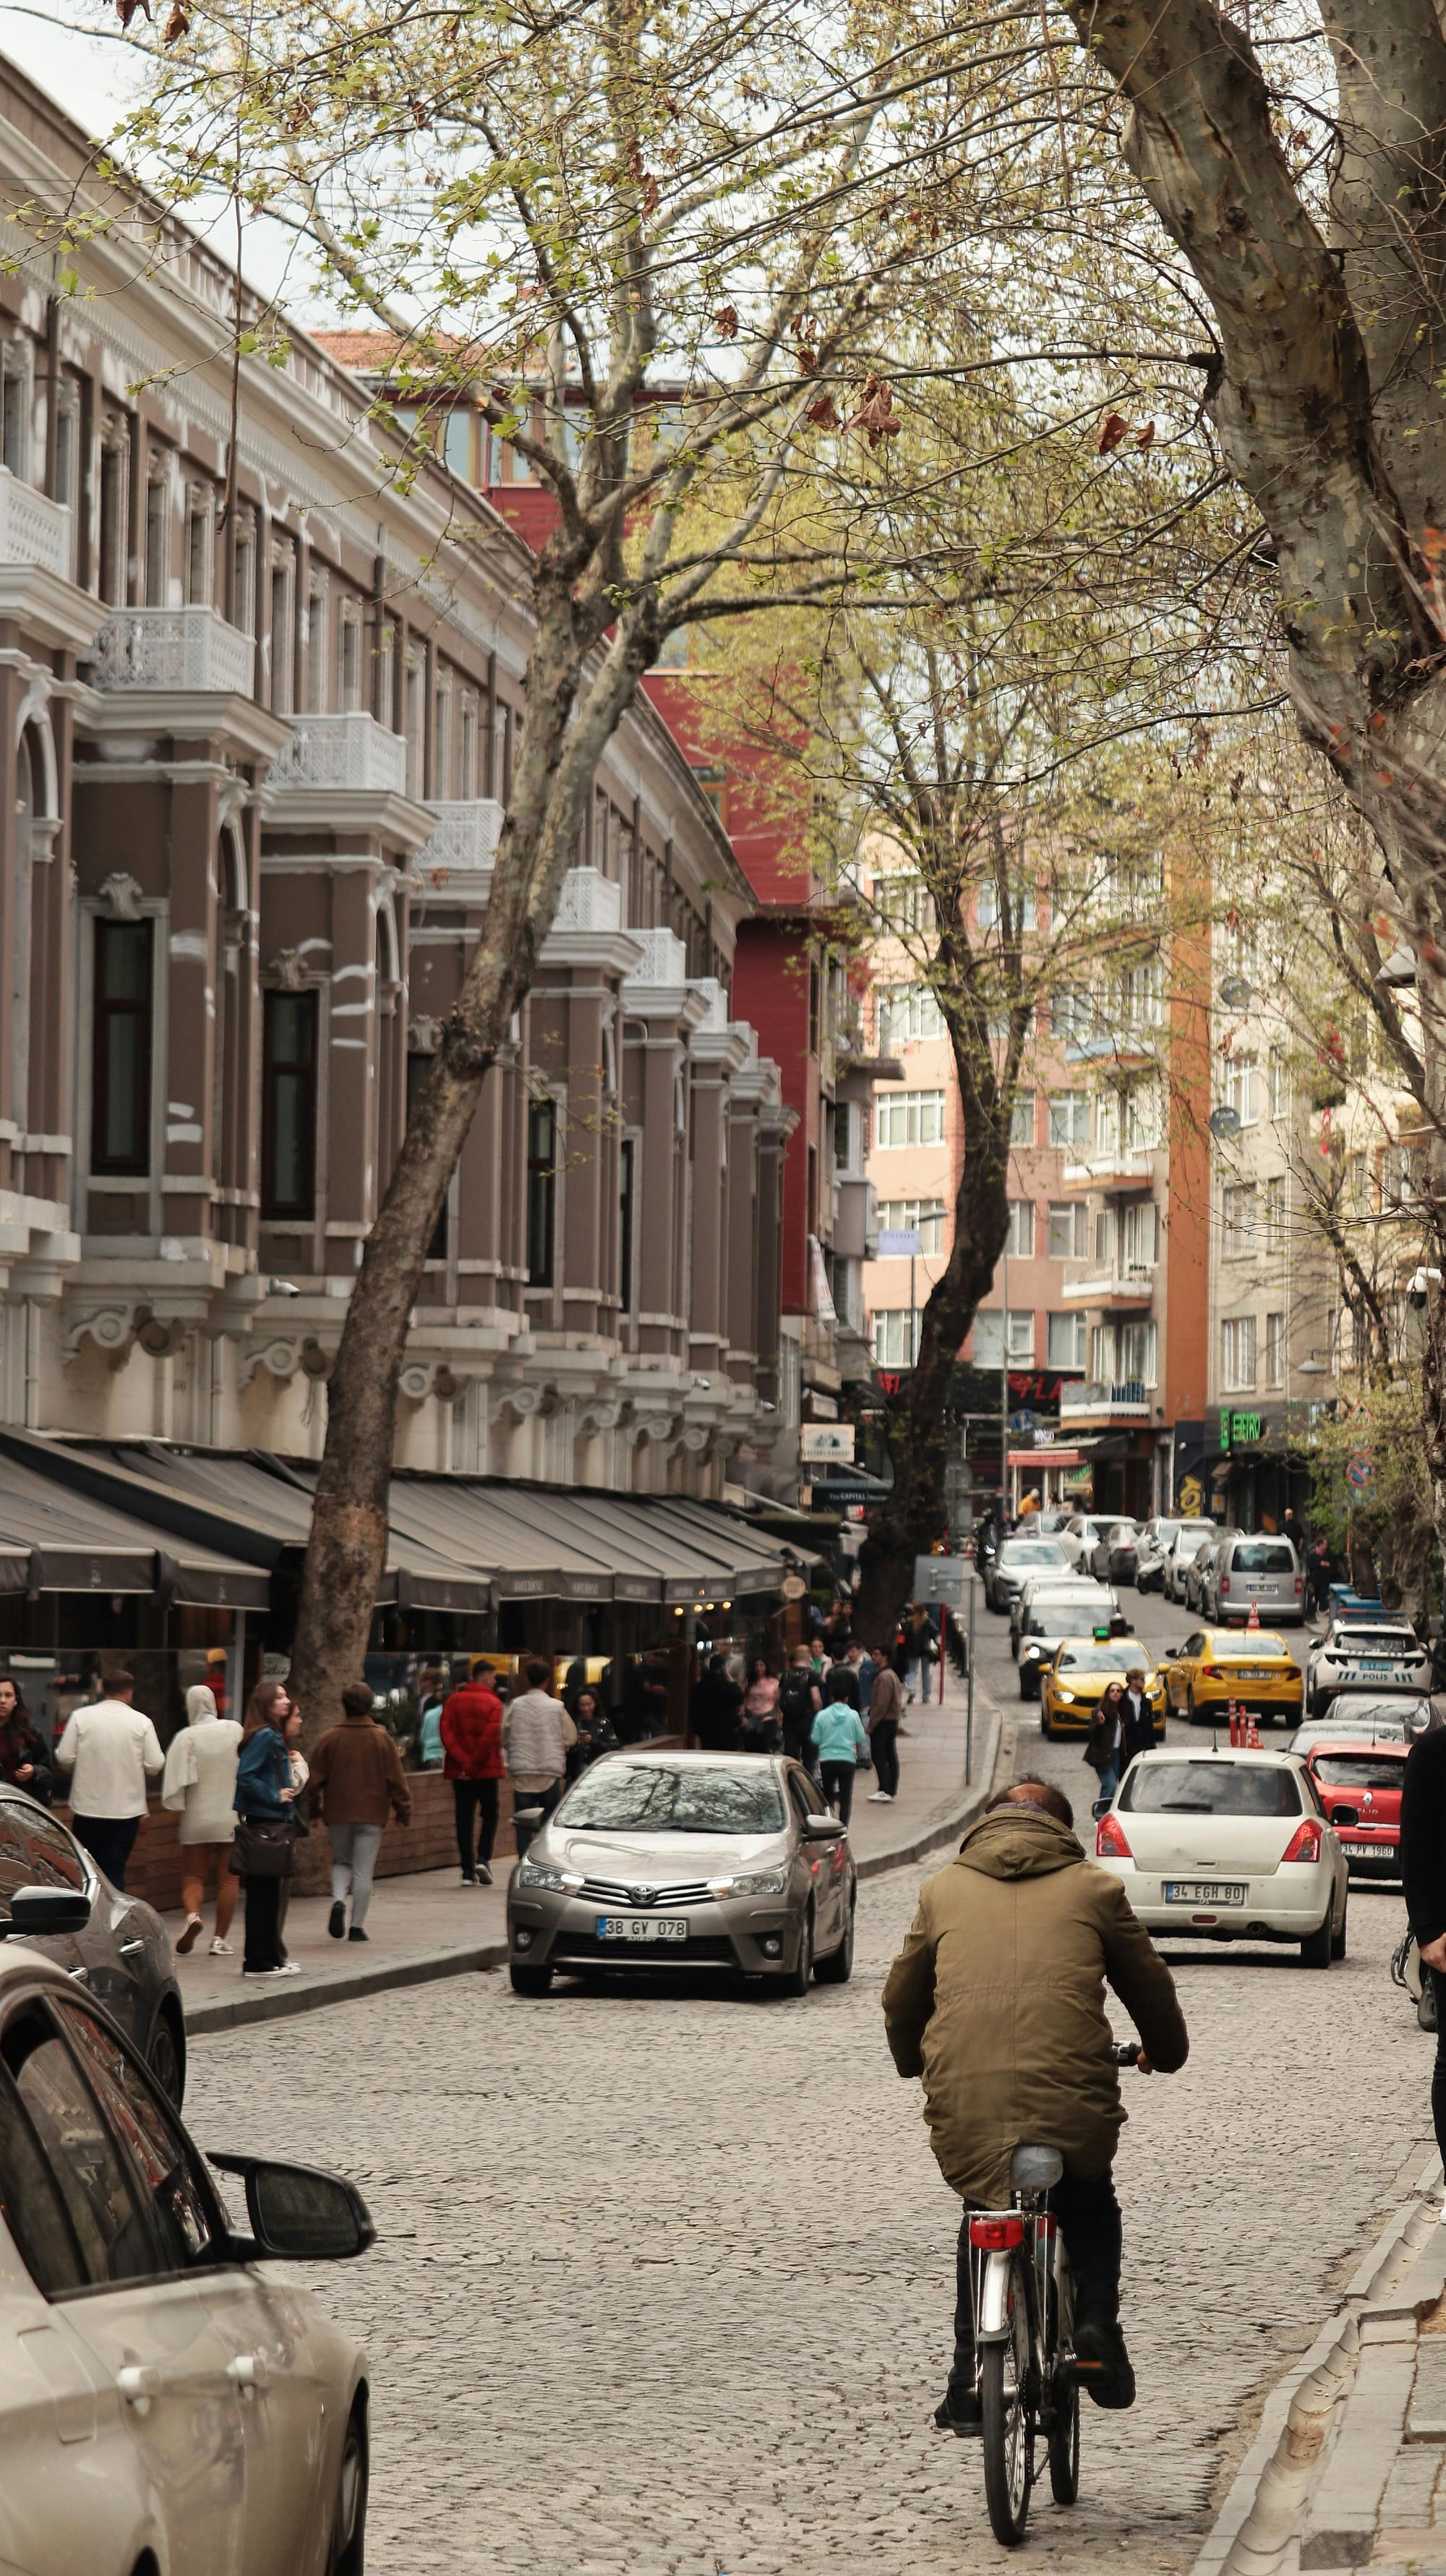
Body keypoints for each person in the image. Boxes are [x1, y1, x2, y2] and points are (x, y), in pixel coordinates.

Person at [882, 1776, 1188, 2430]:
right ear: (1063, 1831)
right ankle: (1098, 2327)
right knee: (1090, 2201)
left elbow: (901, 1998)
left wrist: (912, 2061)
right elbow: (1149, 1986)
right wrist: (1166, 2050)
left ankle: (967, 2378)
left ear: (988, 1823)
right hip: (1072, 2105)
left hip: (968, 2101)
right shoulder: (1095, 1888)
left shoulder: (941, 1890)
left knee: (981, 2207)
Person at [309, 1680, 413, 1940]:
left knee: (342, 1861)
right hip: (371, 1814)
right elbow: (396, 1780)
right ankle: (356, 1927)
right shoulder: (382, 1739)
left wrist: (314, 1810)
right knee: (363, 1871)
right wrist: (403, 1811)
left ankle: (338, 1900)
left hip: (338, 1812)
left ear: (343, 1705)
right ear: (369, 1705)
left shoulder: (330, 1738)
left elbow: (313, 1781)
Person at [54, 1670, 164, 1892]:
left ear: (103, 1690)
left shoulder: (81, 1717)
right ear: (130, 1693)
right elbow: (155, 1764)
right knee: (115, 1869)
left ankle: (89, 1910)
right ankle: (112, 1912)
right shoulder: (142, 1722)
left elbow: (64, 1757)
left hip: (87, 1809)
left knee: (88, 1871)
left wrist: (81, 1765)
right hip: (126, 1812)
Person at [162, 1682, 243, 1955]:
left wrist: (178, 1805)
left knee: (193, 1875)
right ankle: (219, 1939)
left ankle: (192, 1916)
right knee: (228, 1879)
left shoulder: (186, 1737)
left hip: (197, 1815)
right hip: (230, 1814)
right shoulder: (233, 1730)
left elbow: (174, 1781)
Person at [234, 1679, 301, 1979]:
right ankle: (259, 1961)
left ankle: (271, 1957)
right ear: (266, 1703)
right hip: (266, 1822)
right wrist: (275, 1795)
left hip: (271, 1820)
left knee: (270, 1894)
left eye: (286, 1696)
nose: (286, 1701)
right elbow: (246, 1775)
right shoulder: (264, 1736)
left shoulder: (271, 1734)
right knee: (263, 1895)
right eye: (279, 1697)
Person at [440, 1658, 505, 1886]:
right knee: (490, 1814)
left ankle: (467, 1870)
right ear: (486, 1677)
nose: (495, 1682)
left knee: (463, 1817)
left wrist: (464, 1764)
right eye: (494, 1677)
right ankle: (483, 1858)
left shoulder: (452, 1701)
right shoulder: (494, 1703)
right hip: (486, 1770)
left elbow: (446, 1734)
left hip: (460, 1772)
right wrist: (474, 1765)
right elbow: (490, 1739)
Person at [503, 1656, 576, 1859]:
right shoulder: (556, 1706)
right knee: (549, 1826)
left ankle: (523, 1862)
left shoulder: (516, 1705)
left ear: (528, 1679)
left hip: (523, 1773)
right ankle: (545, 1861)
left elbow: (505, 1736)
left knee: (523, 1825)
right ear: (547, 1680)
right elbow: (571, 1737)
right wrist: (558, 1747)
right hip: (550, 1773)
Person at [275, 1700, 310, 1964]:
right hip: (276, 1827)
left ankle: (275, 1949)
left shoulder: (275, 1743)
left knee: (277, 1892)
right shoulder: (276, 1745)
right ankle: (273, 1950)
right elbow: (293, 1784)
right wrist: (301, 1765)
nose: (300, 1721)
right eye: (296, 1716)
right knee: (277, 1892)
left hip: (276, 1826)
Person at [810, 1687, 870, 1826]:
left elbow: (815, 1738)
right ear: (846, 1699)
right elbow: (860, 1737)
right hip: (847, 1760)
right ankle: (843, 1826)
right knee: (846, 1796)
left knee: (828, 1794)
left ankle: (829, 1824)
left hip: (827, 1759)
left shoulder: (822, 1715)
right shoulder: (853, 1716)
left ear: (832, 1698)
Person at [0, 1677, 53, 1805]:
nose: (2, 1701)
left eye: (8, 1695)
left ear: (16, 1700)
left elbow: (47, 1767)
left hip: (18, 1804)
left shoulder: (29, 1732)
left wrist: (33, 1771)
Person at [867, 1657, 904, 1804]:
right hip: (891, 1720)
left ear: (884, 1657)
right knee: (890, 1754)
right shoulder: (891, 1675)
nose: (873, 1657)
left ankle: (885, 1789)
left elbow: (882, 1704)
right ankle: (890, 1788)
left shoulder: (884, 1677)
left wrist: (872, 1723)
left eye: (877, 1654)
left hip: (884, 1721)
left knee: (879, 1755)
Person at [690, 1652, 744, 1753]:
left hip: (706, 1729)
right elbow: (739, 1698)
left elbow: (693, 1708)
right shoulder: (727, 1686)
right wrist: (733, 1683)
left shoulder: (699, 1686)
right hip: (726, 1730)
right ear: (722, 1667)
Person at [1084, 1680, 1127, 1805]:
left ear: (1122, 1694)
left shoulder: (1122, 1711)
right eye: (1112, 1691)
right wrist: (1099, 1724)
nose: (1115, 1693)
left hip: (1117, 1754)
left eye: (1118, 1691)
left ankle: (1106, 1810)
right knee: (1111, 1785)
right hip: (1103, 1755)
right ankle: (1101, 1812)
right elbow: (1090, 1731)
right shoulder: (1100, 1710)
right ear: (1108, 1694)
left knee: (1111, 1787)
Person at [779, 1649, 821, 1772]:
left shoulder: (785, 1675)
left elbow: (777, 1697)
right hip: (807, 1719)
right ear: (808, 1660)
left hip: (789, 1719)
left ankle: (791, 1778)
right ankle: (807, 1779)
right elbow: (816, 1698)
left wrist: (782, 1713)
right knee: (809, 1755)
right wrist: (817, 1713)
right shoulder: (812, 1675)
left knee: (791, 1754)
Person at [741, 1659, 782, 1754]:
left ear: (766, 1667)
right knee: (750, 1747)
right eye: (757, 1666)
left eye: (761, 1665)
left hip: (768, 1715)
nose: (759, 1668)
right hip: (751, 1716)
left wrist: (780, 1716)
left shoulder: (774, 1682)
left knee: (765, 1745)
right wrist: (742, 1716)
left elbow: (778, 1701)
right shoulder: (748, 1682)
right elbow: (743, 1698)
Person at [1120, 1667, 1155, 1768]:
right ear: (1133, 1681)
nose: (1144, 1682)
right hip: (1127, 1747)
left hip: (1143, 1745)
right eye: (1142, 1679)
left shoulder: (1146, 1701)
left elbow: (1150, 1725)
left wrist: (1152, 1747)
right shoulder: (1122, 1699)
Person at [904, 1605, 938, 1706]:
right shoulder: (927, 1621)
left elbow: (905, 1633)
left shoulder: (910, 1622)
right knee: (926, 1673)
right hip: (925, 1649)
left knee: (912, 1671)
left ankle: (911, 1690)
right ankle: (926, 1696)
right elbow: (935, 1631)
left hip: (912, 1649)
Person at [415, 1666, 447, 1769]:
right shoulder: (421, 1700)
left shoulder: (429, 1702)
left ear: (429, 1682)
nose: (420, 1684)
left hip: (429, 1751)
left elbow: (422, 1731)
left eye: (422, 1681)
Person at [845, 1636, 877, 1711]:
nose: (850, 1654)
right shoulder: (846, 1667)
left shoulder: (870, 1666)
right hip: (850, 1704)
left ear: (860, 1651)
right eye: (848, 1652)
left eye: (853, 1651)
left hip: (866, 1704)